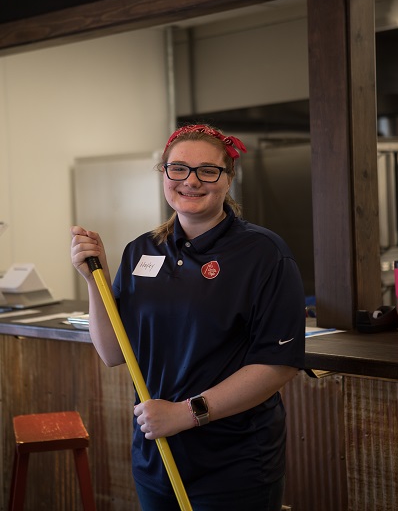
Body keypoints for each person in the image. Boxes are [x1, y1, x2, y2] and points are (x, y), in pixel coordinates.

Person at [70, 124, 305, 511]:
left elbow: (276, 366)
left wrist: (186, 413)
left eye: (207, 171)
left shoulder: (263, 254)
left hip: (235, 465)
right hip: (156, 457)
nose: (191, 181)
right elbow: (113, 352)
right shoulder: (141, 251)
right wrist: (93, 280)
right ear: (164, 174)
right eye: (177, 168)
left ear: (228, 179)